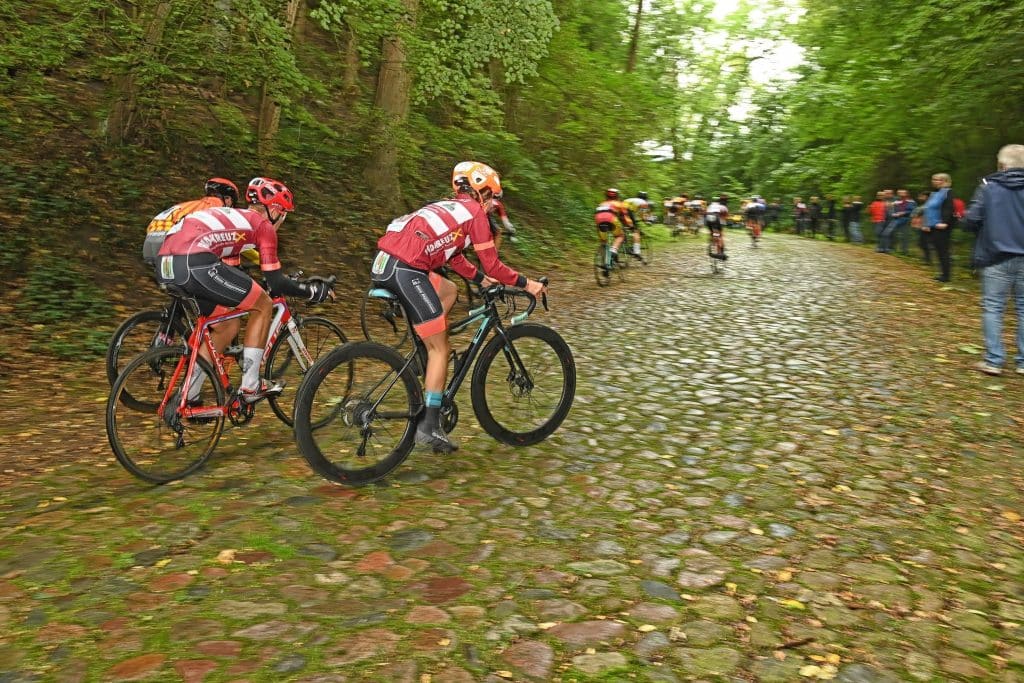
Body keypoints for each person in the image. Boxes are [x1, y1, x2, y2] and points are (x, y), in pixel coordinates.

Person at [371, 161, 546, 451]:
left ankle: (423, 360)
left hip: (385, 263)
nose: (493, 205)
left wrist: (480, 279)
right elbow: (493, 263)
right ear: (481, 193)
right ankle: (429, 425)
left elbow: (454, 259)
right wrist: (528, 284)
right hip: (407, 270)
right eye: (492, 197)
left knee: (449, 290)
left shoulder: (449, 207)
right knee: (442, 348)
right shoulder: (475, 213)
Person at [155, 177, 334, 403]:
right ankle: (250, 386)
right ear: (275, 210)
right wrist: (312, 292)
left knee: (226, 325)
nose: (282, 220)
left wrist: (263, 284)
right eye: (284, 214)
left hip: (166, 263)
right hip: (194, 261)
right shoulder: (263, 226)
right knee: (263, 305)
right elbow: (276, 282)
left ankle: (189, 395)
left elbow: (233, 274)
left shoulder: (233, 222)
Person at [966, 145, 1024, 375]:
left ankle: (994, 360)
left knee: (993, 308)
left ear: (1002, 165)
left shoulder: (988, 188)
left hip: (996, 256)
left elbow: (971, 220)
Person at [142, 178, 240, 266]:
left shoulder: (190, 205)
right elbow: (229, 239)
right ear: (227, 199)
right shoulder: (217, 209)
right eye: (231, 201)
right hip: (170, 243)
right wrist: (235, 265)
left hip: (149, 243)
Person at [921, 173, 957, 282]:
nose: (934, 181)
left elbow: (949, 208)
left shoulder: (947, 192)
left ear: (945, 181)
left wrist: (945, 222)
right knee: (938, 250)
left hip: (941, 226)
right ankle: (942, 273)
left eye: (937, 179)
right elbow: (929, 209)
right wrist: (926, 224)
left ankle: (946, 276)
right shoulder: (935, 193)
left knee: (943, 251)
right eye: (933, 179)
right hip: (933, 226)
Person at [594, 188, 638, 265]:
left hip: (598, 220)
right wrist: (631, 226)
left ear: (606, 196)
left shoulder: (601, 204)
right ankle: (613, 250)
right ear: (617, 196)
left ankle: (605, 263)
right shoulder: (619, 204)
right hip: (611, 219)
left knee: (603, 242)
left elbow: (598, 214)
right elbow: (625, 217)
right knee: (620, 236)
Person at [889, 189, 916, 256]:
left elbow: (913, 211)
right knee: (894, 234)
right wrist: (893, 214)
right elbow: (891, 210)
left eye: (902, 193)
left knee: (904, 236)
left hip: (906, 220)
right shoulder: (896, 202)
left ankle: (904, 251)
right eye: (899, 193)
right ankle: (893, 249)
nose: (900, 194)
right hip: (896, 220)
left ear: (906, 194)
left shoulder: (911, 202)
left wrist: (903, 213)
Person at [705, 195, 729, 259]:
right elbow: (725, 217)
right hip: (716, 217)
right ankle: (720, 252)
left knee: (712, 232)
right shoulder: (723, 206)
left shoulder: (710, 205)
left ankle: (711, 242)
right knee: (720, 234)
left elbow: (706, 212)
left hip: (708, 218)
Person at [912, 191, 932, 264]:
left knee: (923, 242)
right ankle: (927, 259)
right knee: (922, 243)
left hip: (927, 226)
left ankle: (928, 260)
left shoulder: (929, 204)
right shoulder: (926, 204)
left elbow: (926, 214)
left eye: (921, 196)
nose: (920, 198)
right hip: (923, 226)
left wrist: (927, 225)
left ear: (926, 197)